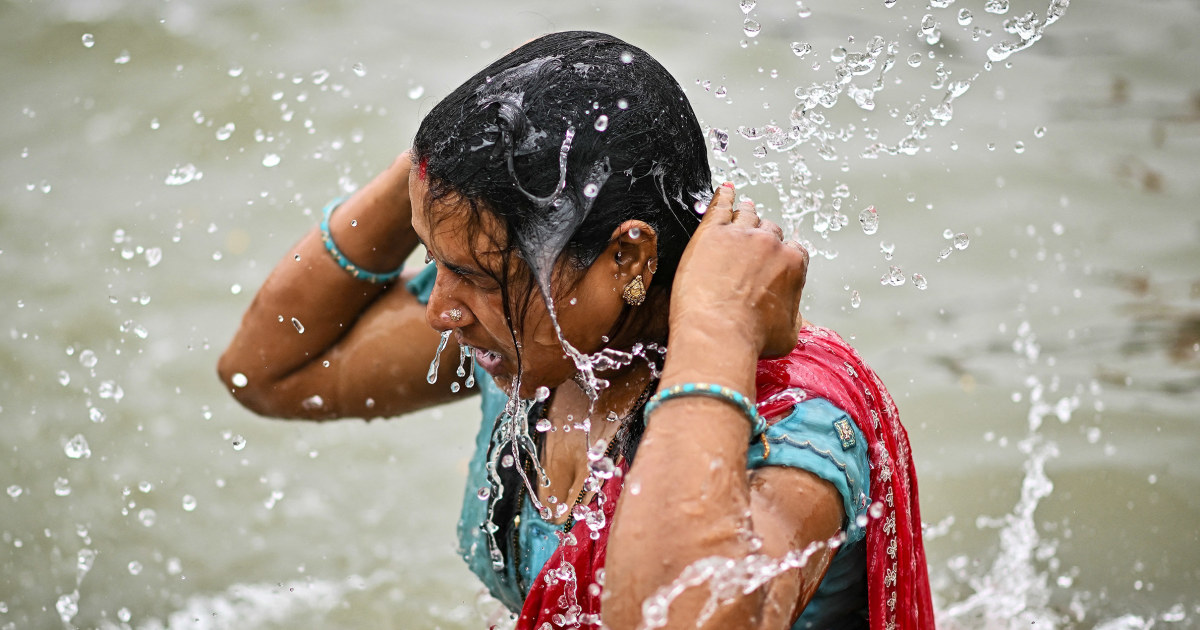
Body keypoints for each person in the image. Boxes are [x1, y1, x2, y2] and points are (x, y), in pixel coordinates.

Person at [218, 31, 933, 630]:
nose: (442, 310)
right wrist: (448, 153)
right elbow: (270, 372)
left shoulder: (794, 430)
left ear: (627, 257)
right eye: (437, 263)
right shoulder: (539, 347)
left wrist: (714, 328)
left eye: (474, 273)